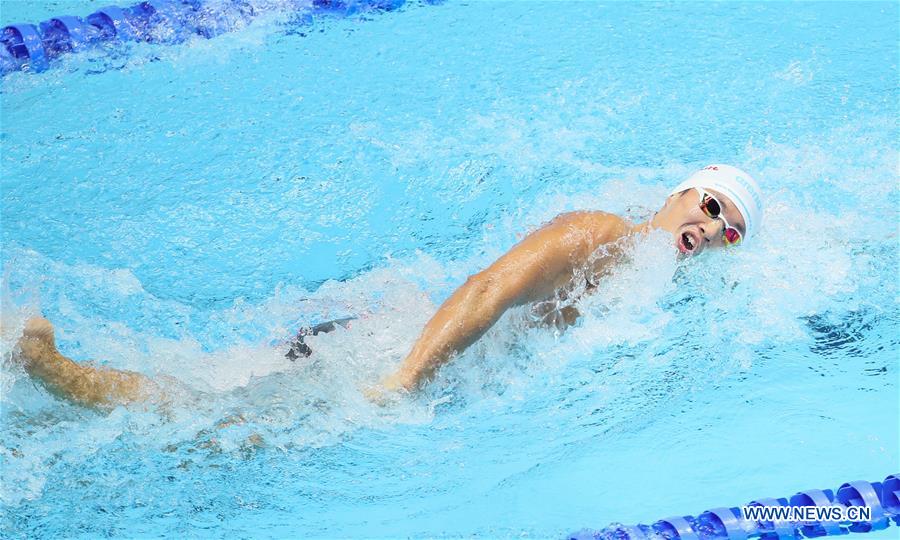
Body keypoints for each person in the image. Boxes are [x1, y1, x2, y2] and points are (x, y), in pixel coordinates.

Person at [11, 164, 763, 410]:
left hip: (395, 342)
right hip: (387, 351)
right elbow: (487, 290)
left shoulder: (634, 287)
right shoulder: (597, 233)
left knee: (212, 410)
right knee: (207, 422)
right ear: (677, 192)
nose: (708, 226)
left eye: (726, 230)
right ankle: (39, 358)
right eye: (708, 204)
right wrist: (400, 381)